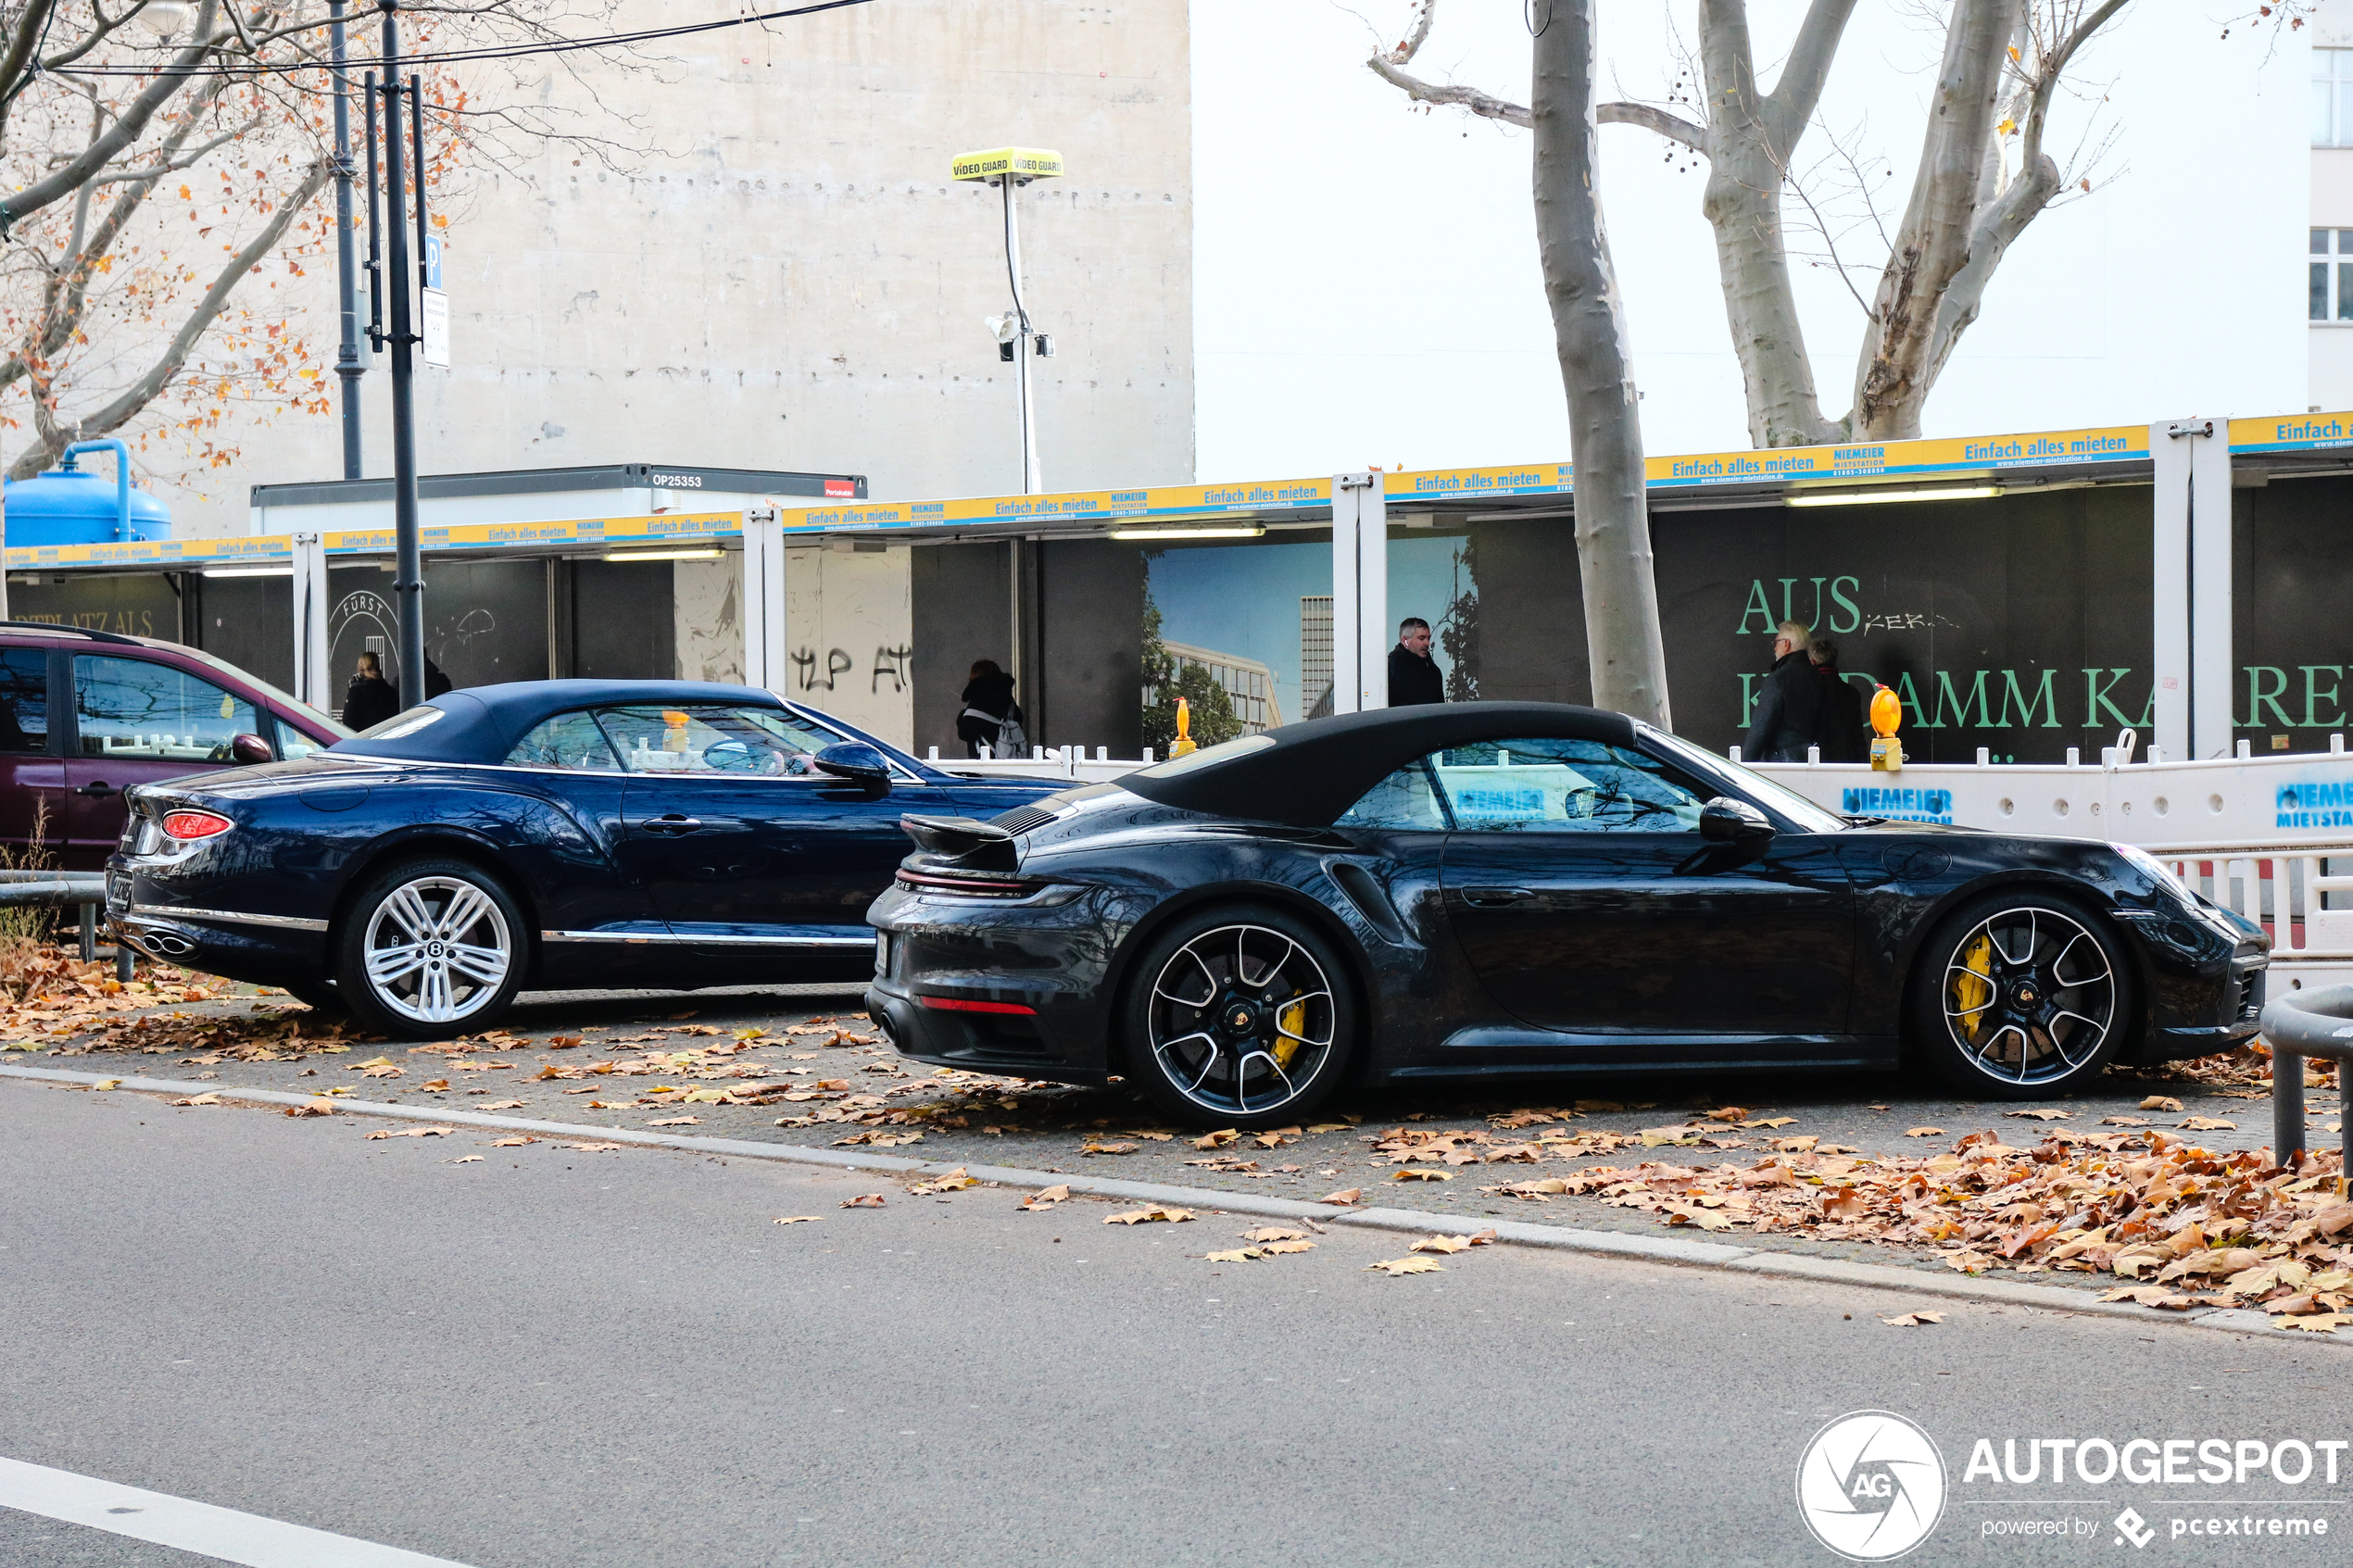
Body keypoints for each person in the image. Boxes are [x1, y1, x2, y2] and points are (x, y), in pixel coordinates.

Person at [1742, 620, 1822, 762]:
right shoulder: (1819, 678)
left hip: (1783, 760)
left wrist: (1744, 766)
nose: (1774, 648)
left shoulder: (1778, 679)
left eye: (1776, 642)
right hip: (1816, 759)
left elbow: (1760, 729)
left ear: (1786, 644)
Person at [1809, 637, 1867, 763]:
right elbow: (1858, 737)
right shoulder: (1852, 693)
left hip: (1816, 762)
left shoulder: (1806, 691)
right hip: (1847, 761)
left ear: (1812, 662)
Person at [956, 659, 1022, 758]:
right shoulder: (1009, 701)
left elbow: (965, 732)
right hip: (1009, 761)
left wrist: (961, 717)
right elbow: (1019, 718)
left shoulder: (978, 701)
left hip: (986, 762)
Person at [1387, 617, 1444, 707]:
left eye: (1428, 638)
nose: (1427, 643)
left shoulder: (1432, 670)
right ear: (1405, 641)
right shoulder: (1390, 667)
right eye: (1421, 638)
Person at [341, 651, 399, 733]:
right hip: (385, 741)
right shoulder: (390, 692)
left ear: (359, 668)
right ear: (378, 667)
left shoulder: (356, 692)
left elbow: (347, 725)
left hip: (363, 743)